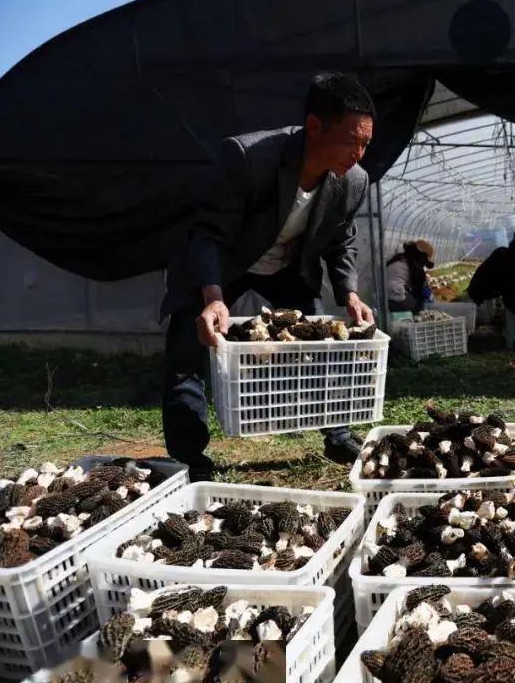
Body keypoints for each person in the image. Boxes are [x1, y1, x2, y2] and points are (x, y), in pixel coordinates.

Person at [159, 71, 376, 480]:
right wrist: (212, 297)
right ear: (313, 126)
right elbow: (207, 233)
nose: (360, 153)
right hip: (224, 264)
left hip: (287, 269)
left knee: (321, 344)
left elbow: (342, 241)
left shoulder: (354, 181)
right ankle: (190, 458)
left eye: (367, 142)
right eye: (352, 141)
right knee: (188, 350)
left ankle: (337, 434)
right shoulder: (248, 156)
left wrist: (349, 291)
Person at [385, 240, 435, 313]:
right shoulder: (412, 267)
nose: (423, 265)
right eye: (424, 262)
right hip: (395, 300)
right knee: (421, 301)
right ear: (421, 256)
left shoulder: (400, 260)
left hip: (385, 297)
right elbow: (418, 291)